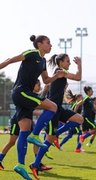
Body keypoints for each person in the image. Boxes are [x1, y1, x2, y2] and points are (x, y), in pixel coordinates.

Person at [0, 35, 66, 180]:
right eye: (48, 42)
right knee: (53, 107)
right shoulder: (31, 53)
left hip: (25, 96)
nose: (51, 45)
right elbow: (10, 60)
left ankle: (20, 165)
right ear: (39, 44)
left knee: (24, 130)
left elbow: (46, 80)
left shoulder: (42, 61)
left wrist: (57, 75)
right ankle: (35, 135)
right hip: (21, 92)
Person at [29, 53, 84, 179]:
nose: (69, 63)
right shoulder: (60, 71)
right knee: (48, 140)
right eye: (67, 61)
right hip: (52, 110)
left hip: (59, 108)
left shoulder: (60, 72)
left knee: (79, 119)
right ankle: (35, 164)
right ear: (61, 62)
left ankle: (57, 135)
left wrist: (79, 65)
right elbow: (78, 77)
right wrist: (79, 65)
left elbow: (76, 77)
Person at [0, 80, 51, 171]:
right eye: (38, 84)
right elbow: (33, 108)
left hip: (28, 120)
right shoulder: (25, 95)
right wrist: (42, 112)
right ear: (32, 84)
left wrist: (46, 89)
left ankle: (37, 163)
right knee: (11, 142)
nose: (39, 87)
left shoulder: (33, 96)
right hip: (17, 120)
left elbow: (39, 99)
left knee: (35, 139)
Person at [77, 86, 96, 151]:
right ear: (88, 92)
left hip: (87, 118)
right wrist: (75, 113)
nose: (93, 91)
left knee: (85, 132)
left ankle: (78, 148)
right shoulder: (86, 98)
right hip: (86, 118)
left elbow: (94, 109)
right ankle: (83, 137)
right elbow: (78, 104)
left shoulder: (90, 99)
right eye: (91, 90)